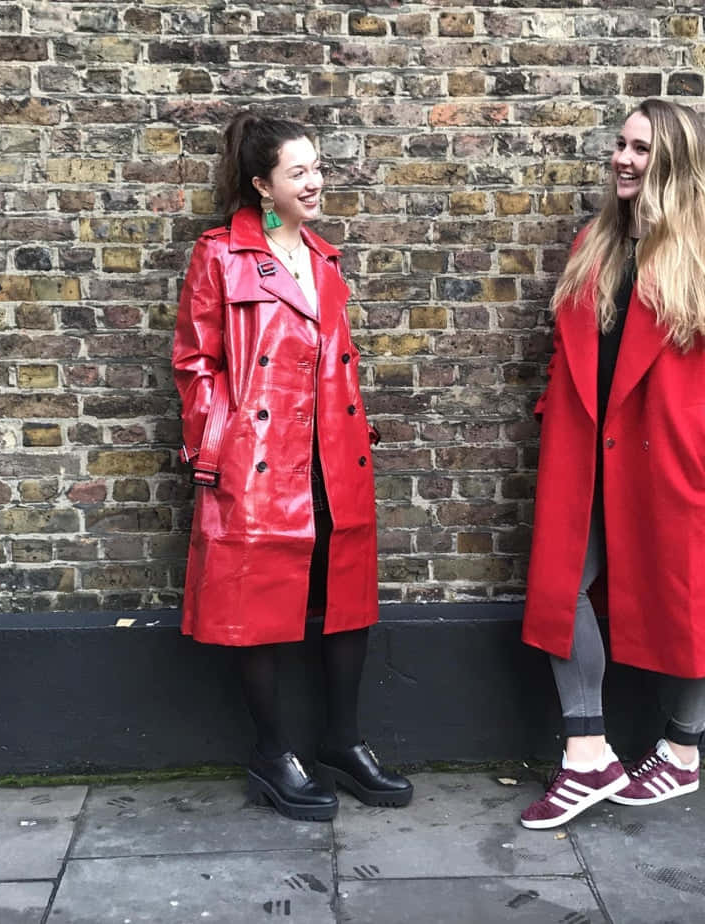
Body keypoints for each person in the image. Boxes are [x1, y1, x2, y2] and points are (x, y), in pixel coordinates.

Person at [519, 99, 705, 830]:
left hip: (675, 458)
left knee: (698, 603)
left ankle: (682, 754)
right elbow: (574, 352)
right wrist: (552, 413)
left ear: (673, 163)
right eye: (620, 145)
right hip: (588, 450)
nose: (622, 159)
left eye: (639, 149)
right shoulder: (593, 243)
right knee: (561, 592)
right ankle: (587, 753)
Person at [172, 111, 411, 821]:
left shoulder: (324, 257)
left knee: (346, 603)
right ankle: (274, 755)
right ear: (261, 184)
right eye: (297, 171)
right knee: (259, 604)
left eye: (317, 167)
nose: (314, 181)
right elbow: (195, 362)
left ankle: (342, 740)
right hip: (258, 462)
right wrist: (220, 447)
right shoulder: (221, 255)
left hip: (333, 456)